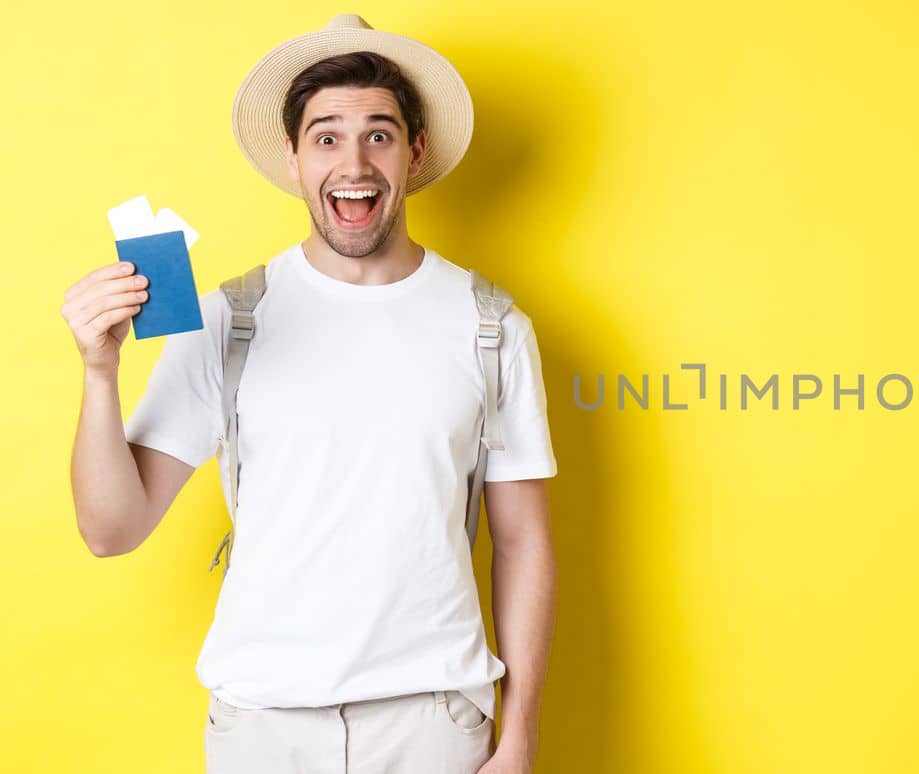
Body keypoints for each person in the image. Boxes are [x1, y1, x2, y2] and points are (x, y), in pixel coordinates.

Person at [62, 14, 556, 773]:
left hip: (432, 720)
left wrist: (519, 735)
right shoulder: (230, 318)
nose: (353, 162)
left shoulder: (491, 326)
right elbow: (111, 530)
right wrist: (100, 373)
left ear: (414, 152)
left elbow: (521, 542)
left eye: (379, 134)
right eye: (326, 136)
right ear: (293, 158)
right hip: (261, 724)